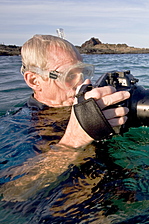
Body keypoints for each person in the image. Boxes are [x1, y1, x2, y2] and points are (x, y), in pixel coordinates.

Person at [0, 35, 137, 220]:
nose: (81, 84)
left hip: (124, 196)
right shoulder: (17, 127)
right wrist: (73, 142)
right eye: (70, 76)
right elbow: (10, 192)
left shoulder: (88, 104)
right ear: (34, 80)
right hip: (72, 212)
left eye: (84, 74)